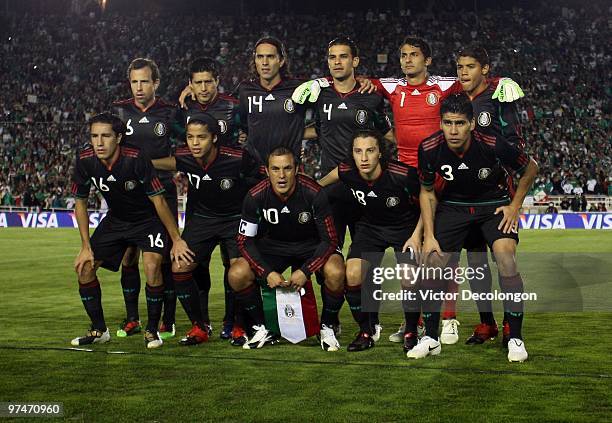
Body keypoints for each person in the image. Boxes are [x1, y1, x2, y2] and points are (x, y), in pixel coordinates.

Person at [414, 94, 538, 362]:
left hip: (492, 205)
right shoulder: (429, 148)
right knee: (433, 263)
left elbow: (530, 168)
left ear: (472, 123)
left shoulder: (492, 143)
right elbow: (426, 192)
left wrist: (514, 206)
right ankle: (431, 338)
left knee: (506, 257)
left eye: (460, 123)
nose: (454, 130)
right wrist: (429, 236)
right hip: (453, 207)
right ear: (441, 123)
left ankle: (515, 336)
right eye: (448, 123)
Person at [70, 113, 192, 348]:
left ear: (118, 137)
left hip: (148, 220)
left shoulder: (136, 158)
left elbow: (159, 201)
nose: (99, 142)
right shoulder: (85, 159)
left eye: (105, 136)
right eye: (94, 136)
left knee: (152, 266)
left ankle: (152, 330)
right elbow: (80, 202)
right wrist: (86, 247)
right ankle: (99, 330)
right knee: (85, 268)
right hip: (116, 219)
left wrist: (176, 238)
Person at [151, 112, 260, 346]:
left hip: (236, 219)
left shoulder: (238, 158)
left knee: (237, 271)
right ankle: (199, 326)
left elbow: (261, 182)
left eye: (201, 137)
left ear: (214, 138)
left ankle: (240, 326)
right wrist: (145, 162)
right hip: (203, 219)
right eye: (190, 137)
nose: (195, 143)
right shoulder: (185, 156)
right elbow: (173, 162)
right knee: (179, 265)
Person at [228, 147, 345, 351]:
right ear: (266, 170)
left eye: (287, 168)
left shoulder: (314, 192)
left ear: (297, 169)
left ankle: (327, 326)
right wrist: (267, 272)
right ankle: (261, 327)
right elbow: (244, 241)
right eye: (275, 169)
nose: (281, 176)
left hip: (312, 247)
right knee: (237, 273)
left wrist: (306, 270)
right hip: (273, 248)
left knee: (336, 270)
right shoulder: (255, 196)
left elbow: (330, 240)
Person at [319, 129, 422, 353]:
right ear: (352, 154)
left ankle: (412, 331)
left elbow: (427, 199)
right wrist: (311, 188)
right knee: (352, 273)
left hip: (404, 228)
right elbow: (325, 182)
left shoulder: (402, 174)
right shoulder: (347, 170)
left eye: (370, 151)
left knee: (408, 278)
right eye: (358, 151)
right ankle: (365, 332)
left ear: (380, 154)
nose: (364, 158)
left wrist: (418, 235)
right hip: (370, 228)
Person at [111, 58, 181, 340]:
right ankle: (132, 319)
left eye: (144, 81)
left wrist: (145, 164)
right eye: (134, 82)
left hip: (162, 193)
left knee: (164, 258)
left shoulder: (170, 113)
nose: (139, 87)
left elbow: (181, 159)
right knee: (129, 257)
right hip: (129, 196)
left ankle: (169, 319)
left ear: (156, 83)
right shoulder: (119, 111)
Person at [181, 56, 244, 340]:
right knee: (196, 264)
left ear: (217, 81)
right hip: (200, 201)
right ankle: (201, 321)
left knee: (233, 265)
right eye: (198, 82)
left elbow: (250, 137)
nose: (204, 87)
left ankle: (232, 321)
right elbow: (172, 146)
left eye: (208, 81)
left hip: (233, 197)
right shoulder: (183, 110)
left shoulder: (234, 106)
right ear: (190, 85)